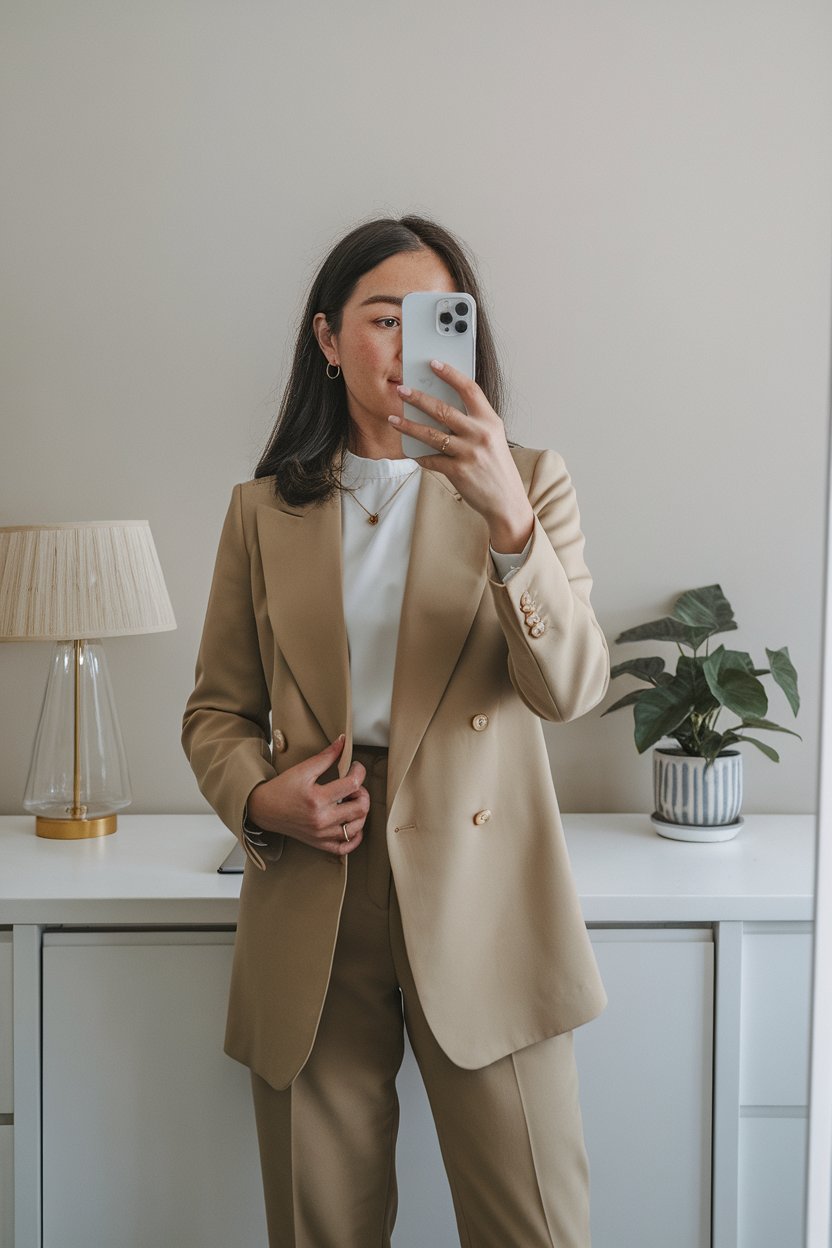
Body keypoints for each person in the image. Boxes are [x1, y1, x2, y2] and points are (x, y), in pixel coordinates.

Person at [181, 215, 610, 1248]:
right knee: (321, 1225)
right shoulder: (263, 511)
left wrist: (508, 519)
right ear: (328, 340)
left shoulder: (530, 481)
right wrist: (257, 794)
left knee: (533, 1228)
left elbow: (571, 689)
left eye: (434, 318)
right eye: (383, 318)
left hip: (482, 886)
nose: (408, 342)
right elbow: (216, 711)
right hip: (315, 877)